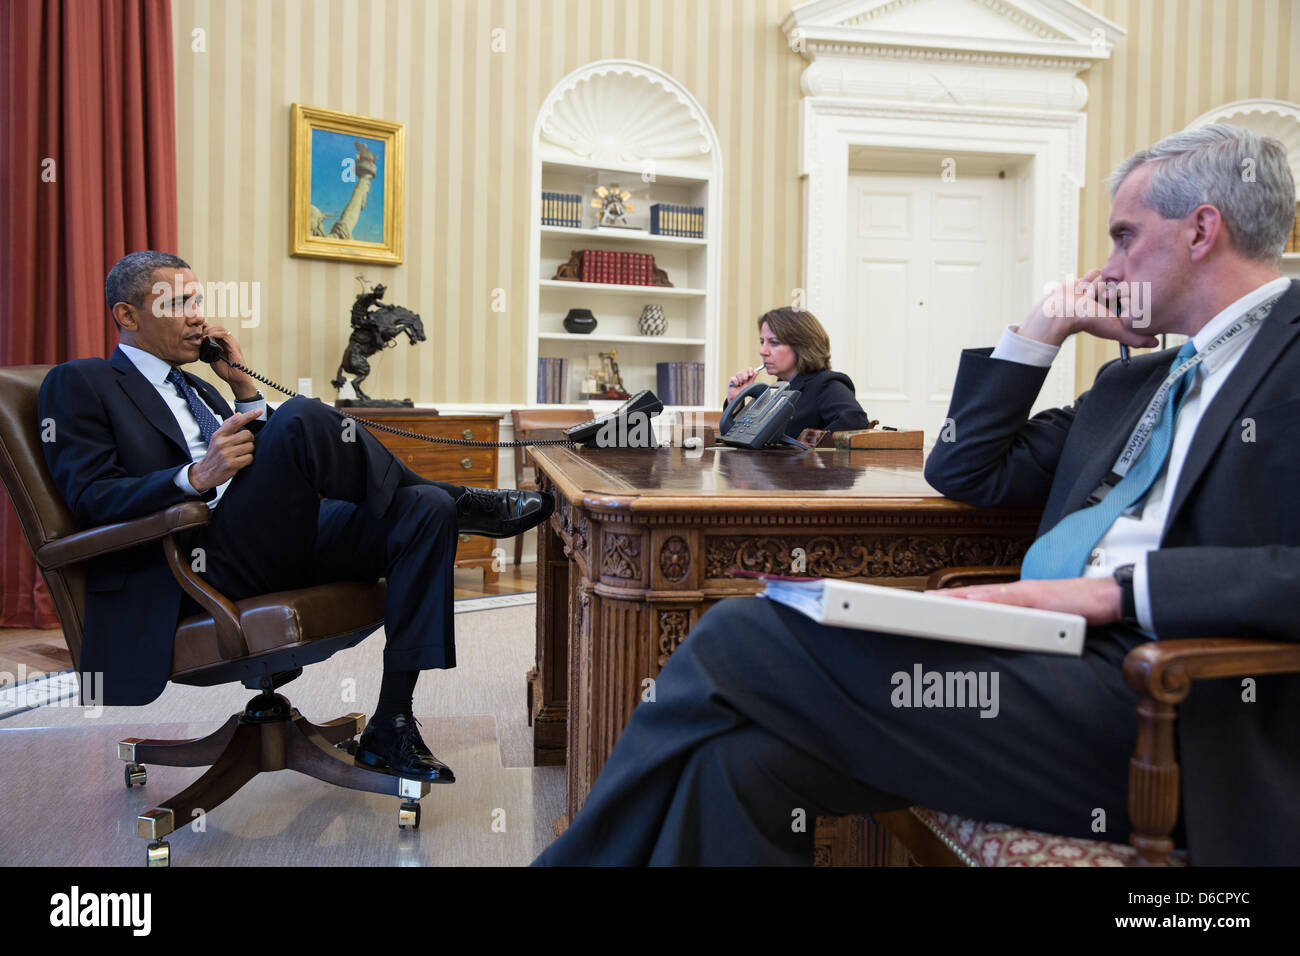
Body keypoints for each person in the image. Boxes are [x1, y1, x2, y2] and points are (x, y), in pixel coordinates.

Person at [533, 123, 1300, 866]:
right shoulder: (1133, 382)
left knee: (740, 635)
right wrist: (1042, 329)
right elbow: (965, 471)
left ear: (1202, 230)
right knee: (738, 765)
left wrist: (1117, 595)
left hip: (1169, 704)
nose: (1104, 266)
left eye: (1124, 235)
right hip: (1041, 670)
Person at [38, 251, 554, 782]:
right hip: (193, 562)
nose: (197, 315)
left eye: (197, 300)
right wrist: (193, 477)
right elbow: (90, 497)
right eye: (177, 303)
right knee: (305, 414)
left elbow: (267, 461)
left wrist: (242, 389)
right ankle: (469, 502)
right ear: (127, 316)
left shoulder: (200, 385)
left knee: (426, 509)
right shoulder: (81, 382)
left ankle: (392, 721)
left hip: (268, 539)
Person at [723, 308, 871, 439]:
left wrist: (807, 445)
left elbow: (855, 424)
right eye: (762, 342)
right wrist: (736, 403)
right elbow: (740, 438)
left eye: (774, 342)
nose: (763, 351)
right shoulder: (776, 389)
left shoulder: (826, 384)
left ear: (802, 346)